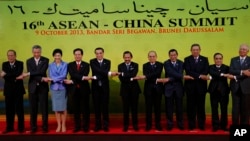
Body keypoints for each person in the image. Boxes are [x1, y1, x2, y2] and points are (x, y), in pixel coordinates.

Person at [159, 49, 193, 131]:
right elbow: (171, 72)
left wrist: (169, 79)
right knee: (169, 108)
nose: (173, 56)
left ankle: (180, 124)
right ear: (169, 56)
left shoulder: (181, 63)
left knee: (179, 107)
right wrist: (182, 77)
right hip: (168, 88)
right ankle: (169, 124)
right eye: (171, 55)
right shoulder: (166, 63)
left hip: (178, 88)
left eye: (174, 55)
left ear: (177, 55)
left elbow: (179, 73)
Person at [90, 47, 119, 132]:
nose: (99, 54)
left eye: (100, 53)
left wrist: (98, 75)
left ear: (103, 53)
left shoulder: (108, 61)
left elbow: (100, 72)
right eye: (97, 53)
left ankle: (105, 125)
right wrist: (109, 73)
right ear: (95, 54)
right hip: (95, 87)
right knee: (97, 107)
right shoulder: (92, 61)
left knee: (105, 107)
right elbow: (97, 70)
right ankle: (98, 125)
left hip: (105, 87)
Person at [22, 45, 50, 133]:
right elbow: (35, 75)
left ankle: (45, 127)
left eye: (38, 52)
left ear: (41, 52)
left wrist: (29, 73)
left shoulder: (46, 60)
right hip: (32, 87)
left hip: (43, 88)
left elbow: (42, 72)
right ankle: (33, 127)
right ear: (32, 52)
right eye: (35, 52)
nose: (36, 54)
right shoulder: (29, 61)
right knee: (33, 109)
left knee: (44, 108)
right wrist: (41, 78)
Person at [64, 48, 92, 133]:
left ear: (82, 55)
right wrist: (82, 77)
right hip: (74, 90)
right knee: (76, 109)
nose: (77, 56)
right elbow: (73, 74)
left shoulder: (87, 65)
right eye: (76, 54)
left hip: (84, 90)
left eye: (79, 54)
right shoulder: (70, 65)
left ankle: (85, 127)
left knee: (85, 109)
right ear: (74, 55)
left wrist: (73, 80)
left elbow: (84, 75)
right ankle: (77, 126)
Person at [184, 43, 209, 131]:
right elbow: (188, 71)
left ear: (200, 50)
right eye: (193, 50)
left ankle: (201, 124)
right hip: (190, 87)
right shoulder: (187, 59)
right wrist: (200, 76)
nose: (195, 51)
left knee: (201, 107)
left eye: (197, 49)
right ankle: (191, 124)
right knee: (191, 107)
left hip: (201, 87)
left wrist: (200, 76)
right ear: (191, 51)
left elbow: (206, 71)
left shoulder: (205, 59)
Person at [0, 50, 25, 134]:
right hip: (8, 91)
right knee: (9, 110)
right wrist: (16, 77)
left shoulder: (20, 63)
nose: (10, 57)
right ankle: (9, 127)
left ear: (15, 56)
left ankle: (21, 128)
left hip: (18, 90)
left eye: (12, 55)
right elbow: (13, 76)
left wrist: (7, 74)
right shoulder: (4, 64)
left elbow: (17, 73)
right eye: (9, 55)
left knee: (19, 110)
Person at [139, 51, 163, 131]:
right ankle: (148, 125)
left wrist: (146, 76)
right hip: (148, 90)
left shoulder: (160, 64)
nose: (152, 58)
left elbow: (157, 73)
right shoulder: (145, 65)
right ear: (148, 57)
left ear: (156, 57)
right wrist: (154, 78)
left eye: (153, 56)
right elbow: (150, 76)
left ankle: (158, 124)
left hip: (158, 89)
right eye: (150, 56)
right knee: (148, 108)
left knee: (157, 108)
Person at [118, 51, 141, 132]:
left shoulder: (135, 65)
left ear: (131, 57)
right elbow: (121, 79)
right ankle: (126, 125)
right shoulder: (120, 66)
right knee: (125, 109)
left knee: (134, 109)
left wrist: (124, 74)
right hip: (124, 90)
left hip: (134, 90)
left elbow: (134, 74)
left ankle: (135, 125)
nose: (127, 59)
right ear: (123, 57)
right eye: (125, 57)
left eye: (128, 57)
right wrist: (130, 77)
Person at [228, 44, 250, 125]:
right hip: (235, 87)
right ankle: (235, 126)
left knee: (245, 109)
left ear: (247, 51)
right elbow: (231, 70)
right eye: (241, 49)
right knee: (235, 109)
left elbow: (249, 74)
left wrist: (234, 77)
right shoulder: (233, 59)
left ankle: (244, 128)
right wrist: (243, 71)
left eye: (244, 49)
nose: (242, 51)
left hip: (246, 88)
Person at [208, 53, 230, 131]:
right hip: (213, 91)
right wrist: (223, 74)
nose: (218, 60)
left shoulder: (227, 67)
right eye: (216, 58)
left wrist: (221, 75)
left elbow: (229, 75)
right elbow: (212, 73)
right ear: (214, 59)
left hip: (224, 91)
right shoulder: (210, 67)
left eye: (220, 58)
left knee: (224, 109)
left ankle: (224, 125)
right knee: (214, 109)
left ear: (222, 59)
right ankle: (215, 125)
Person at [48, 49, 68, 133]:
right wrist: (55, 79)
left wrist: (54, 79)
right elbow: (50, 75)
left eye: (59, 55)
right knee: (56, 108)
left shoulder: (65, 64)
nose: (57, 57)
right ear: (53, 56)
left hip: (63, 87)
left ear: (61, 56)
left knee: (63, 108)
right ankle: (58, 125)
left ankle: (63, 125)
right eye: (56, 55)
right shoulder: (50, 65)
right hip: (54, 88)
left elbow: (64, 75)